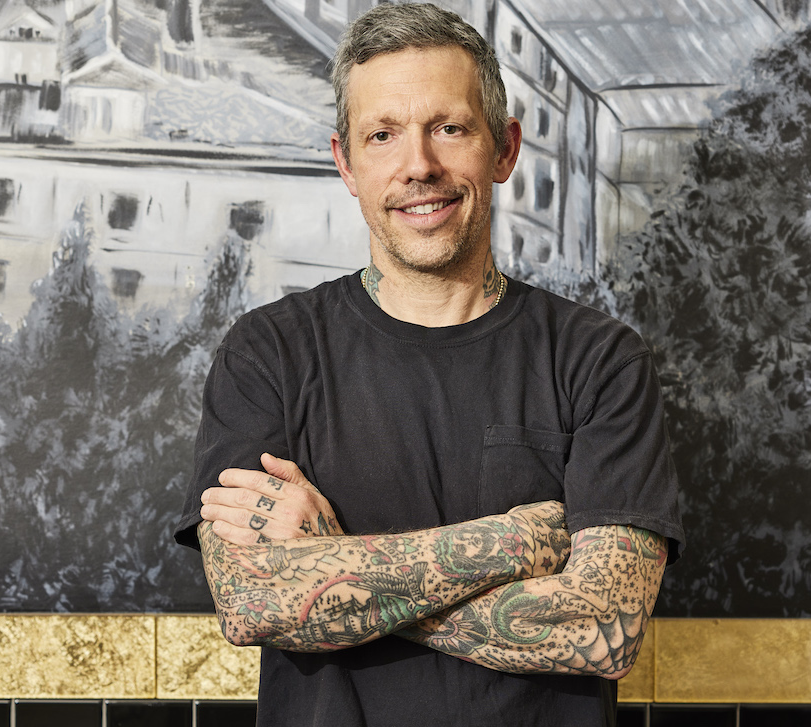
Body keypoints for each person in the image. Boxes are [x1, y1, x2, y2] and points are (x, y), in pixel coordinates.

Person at [175, 3, 684, 725]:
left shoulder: (601, 360)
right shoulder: (268, 354)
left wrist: (332, 562)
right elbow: (253, 601)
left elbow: (604, 630)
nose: (419, 165)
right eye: (382, 135)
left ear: (504, 149)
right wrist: (517, 540)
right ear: (346, 163)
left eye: (449, 128)